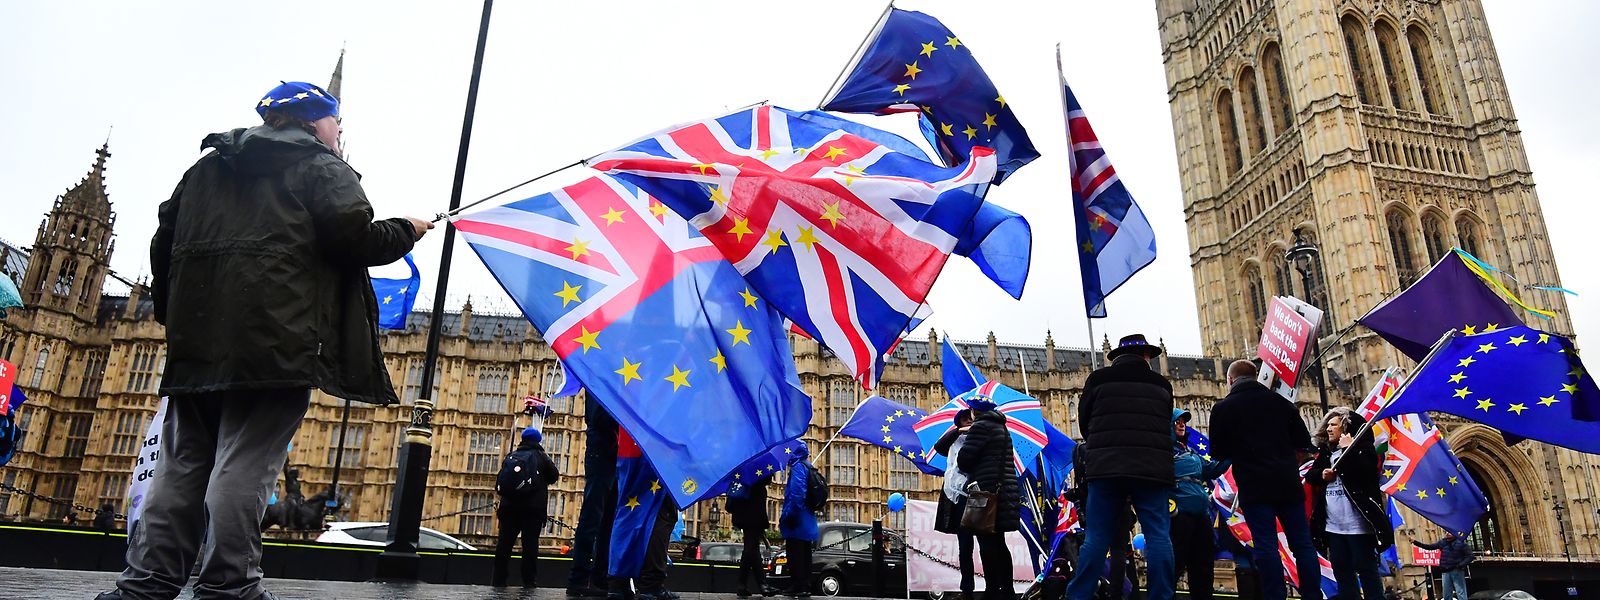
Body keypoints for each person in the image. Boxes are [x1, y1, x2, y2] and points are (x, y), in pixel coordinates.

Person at [101, 81, 431, 600]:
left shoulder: (204, 170)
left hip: (197, 344)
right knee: (246, 465)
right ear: (315, 122)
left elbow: (162, 245)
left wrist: (177, 318)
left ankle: (146, 584)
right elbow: (358, 239)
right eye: (337, 125)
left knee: (182, 464)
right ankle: (229, 586)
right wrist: (408, 228)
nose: (340, 134)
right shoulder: (321, 165)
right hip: (276, 343)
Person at [1066, 334, 1176, 600]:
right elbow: (1166, 427)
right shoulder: (1162, 384)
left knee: (1095, 538)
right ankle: (1161, 595)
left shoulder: (1098, 379)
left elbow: (1084, 424)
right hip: (1151, 469)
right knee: (1158, 536)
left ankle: (1078, 596)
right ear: (1146, 356)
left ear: (1115, 357)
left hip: (1107, 468)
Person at [1208, 360, 1320, 600]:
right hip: (1287, 483)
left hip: (1254, 486)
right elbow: (1303, 442)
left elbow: (1217, 452)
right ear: (1256, 376)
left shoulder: (1223, 408)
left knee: (1266, 545)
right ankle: (1312, 595)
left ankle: (1275, 596)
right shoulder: (1282, 404)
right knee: (1302, 544)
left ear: (1229, 381)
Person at [1309, 408, 1391, 600]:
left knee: (1368, 573)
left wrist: (1349, 449)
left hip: (1359, 527)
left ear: (1345, 428)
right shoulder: (1325, 453)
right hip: (1333, 527)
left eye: (1334, 425)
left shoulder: (1363, 449)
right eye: (1327, 425)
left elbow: (1366, 473)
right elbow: (1311, 475)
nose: (1328, 428)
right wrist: (1322, 475)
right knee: (1343, 575)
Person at [956, 397, 1021, 600]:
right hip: (1004, 493)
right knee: (999, 544)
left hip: (987, 494)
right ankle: (1007, 591)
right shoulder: (1002, 428)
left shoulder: (980, 428)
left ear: (975, 411)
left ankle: (992, 590)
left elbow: (964, 460)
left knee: (987, 544)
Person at [1171, 409, 1230, 600]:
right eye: (1177, 421)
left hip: (1200, 513)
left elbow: (1211, 469)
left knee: (1203, 563)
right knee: (1176, 562)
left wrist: (1231, 455)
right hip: (1180, 513)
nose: (1182, 424)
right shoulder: (1163, 451)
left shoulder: (1189, 451)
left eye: (1183, 421)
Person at [493, 426, 560, 588]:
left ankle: (498, 579)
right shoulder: (541, 456)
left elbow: (500, 483)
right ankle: (528, 581)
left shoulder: (511, 456)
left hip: (508, 508)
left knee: (504, 544)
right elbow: (554, 476)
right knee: (529, 545)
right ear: (538, 440)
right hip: (532, 509)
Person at [569, 397, 621, 598]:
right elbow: (598, 417)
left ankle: (599, 579)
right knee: (592, 515)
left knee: (609, 520)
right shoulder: (600, 377)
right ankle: (579, 579)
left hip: (616, 453)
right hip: (601, 451)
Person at [933, 409, 978, 600]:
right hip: (958, 497)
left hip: (977, 495)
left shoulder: (979, 437)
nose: (968, 421)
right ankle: (967, 589)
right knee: (965, 546)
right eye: (964, 418)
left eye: (971, 417)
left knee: (987, 545)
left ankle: (997, 587)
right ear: (958, 421)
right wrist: (959, 431)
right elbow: (939, 446)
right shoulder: (953, 441)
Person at [780, 445, 819, 599]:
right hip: (807, 517)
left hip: (798, 518)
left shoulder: (797, 467)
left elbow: (797, 494)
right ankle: (804, 586)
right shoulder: (808, 466)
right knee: (804, 553)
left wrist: (789, 515)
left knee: (795, 553)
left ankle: (797, 586)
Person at [727, 473, 773, 598]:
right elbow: (766, 479)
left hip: (743, 509)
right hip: (753, 511)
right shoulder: (760, 461)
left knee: (752, 547)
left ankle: (744, 585)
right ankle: (761, 585)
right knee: (751, 548)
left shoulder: (743, 459)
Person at [1413, 532, 1473, 600]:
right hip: (1445, 571)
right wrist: (1415, 542)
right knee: (1446, 594)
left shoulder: (1461, 543)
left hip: (1457, 570)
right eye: (1446, 532)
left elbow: (1470, 556)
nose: (1447, 533)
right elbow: (1429, 547)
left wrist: (1460, 565)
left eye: (1449, 532)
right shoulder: (1443, 542)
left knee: (1460, 592)